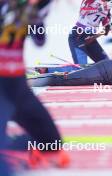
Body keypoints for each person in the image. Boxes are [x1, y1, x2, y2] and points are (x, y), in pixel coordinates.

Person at [0, 0, 69, 173]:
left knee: (52, 143)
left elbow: (40, 40)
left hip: (17, 85)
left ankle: (9, 148)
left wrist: (35, 16)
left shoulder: (29, 7)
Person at [68, 0, 112, 64]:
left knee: (107, 64)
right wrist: (100, 8)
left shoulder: (108, 4)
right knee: (81, 68)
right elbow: (83, 11)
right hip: (78, 36)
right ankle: (50, 70)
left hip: (91, 38)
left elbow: (105, 24)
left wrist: (110, 26)